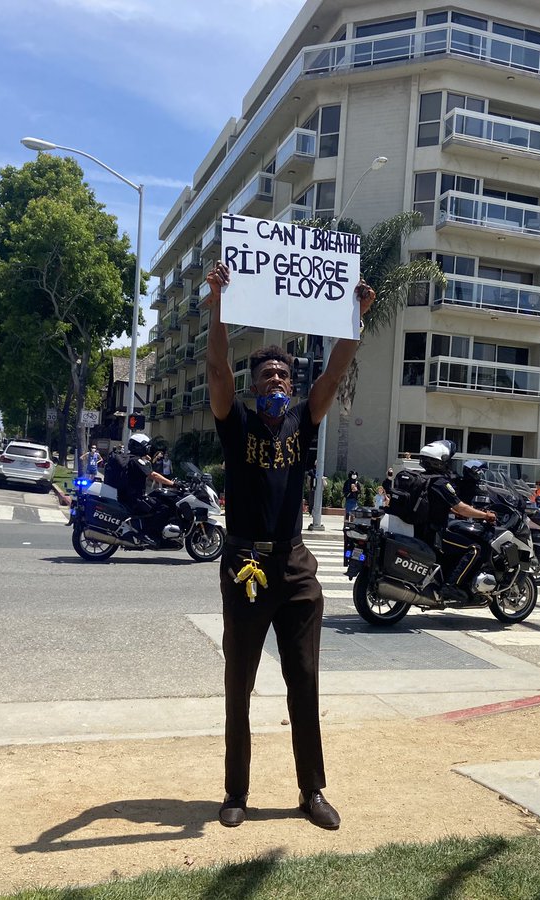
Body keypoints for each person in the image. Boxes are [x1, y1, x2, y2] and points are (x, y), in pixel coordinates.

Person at [204, 259, 375, 831]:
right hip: (246, 560)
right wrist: (219, 307)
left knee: (304, 680)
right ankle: (236, 791)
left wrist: (355, 316)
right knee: (240, 681)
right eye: (265, 375)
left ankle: (312, 790)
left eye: (281, 374)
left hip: (296, 565)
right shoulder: (237, 423)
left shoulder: (305, 421)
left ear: (291, 384)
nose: (274, 380)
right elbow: (217, 371)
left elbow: (333, 372)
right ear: (254, 386)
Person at [412, 440, 496, 601]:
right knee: (474, 548)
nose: (448, 464)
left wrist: (453, 510)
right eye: (446, 461)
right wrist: (485, 515)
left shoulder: (423, 479)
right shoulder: (441, 483)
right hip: (435, 532)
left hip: (422, 529)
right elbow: (461, 508)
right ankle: (451, 586)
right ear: (439, 461)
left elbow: (434, 504)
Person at [117, 432, 175, 543]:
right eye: (146, 446)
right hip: (135, 498)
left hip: (128, 496)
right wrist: (172, 483)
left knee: (156, 501)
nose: (148, 448)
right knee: (164, 508)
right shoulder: (136, 460)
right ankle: (149, 534)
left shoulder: (130, 458)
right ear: (140, 447)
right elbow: (152, 475)